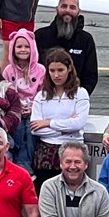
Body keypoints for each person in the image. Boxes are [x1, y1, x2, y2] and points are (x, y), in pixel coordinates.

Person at [29, 49, 90, 188]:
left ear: (69, 69)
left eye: (60, 70)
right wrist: (67, 128)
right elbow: (35, 129)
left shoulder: (80, 93)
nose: (56, 75)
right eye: (52, 70)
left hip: (73, 150)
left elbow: (78, 124)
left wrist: (48, 123)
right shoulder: (41, 96)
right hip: (45, 154)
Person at [34, 0, 99, 95]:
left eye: (72, 7)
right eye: (64, 6)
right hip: (44, 96)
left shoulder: (86, 40)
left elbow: (91, 77)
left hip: (75, 98)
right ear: (57, 9)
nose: (67, 10)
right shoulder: (40, 36)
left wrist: (79, 97)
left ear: (79, 12)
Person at [1, 28, 44, 166]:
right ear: (13, 49)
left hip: (34, 109)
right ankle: (15, 161)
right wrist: (18, 108)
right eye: (19, 46)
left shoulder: (40, 70)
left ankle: (26, 164)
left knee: (31, 131)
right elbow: (6, 92)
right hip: (16, 109)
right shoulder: (8, 70)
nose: (23, 49)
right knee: (18, 129)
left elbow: (42, 93)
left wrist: (32, 108)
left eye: (27, 46)